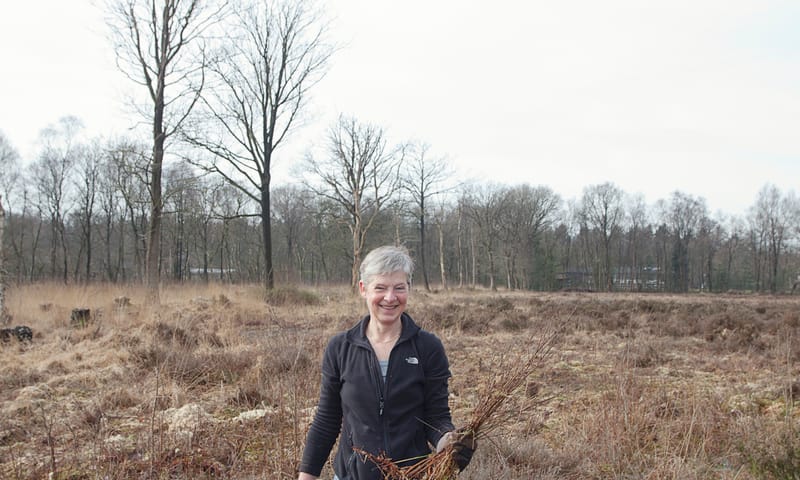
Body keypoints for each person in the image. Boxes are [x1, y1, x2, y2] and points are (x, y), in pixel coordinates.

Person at [297, 245, 474, 480]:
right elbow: (327, 420)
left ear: (408, 289)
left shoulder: (428, 347)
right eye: (380, 288)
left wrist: (450, 442)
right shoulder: (340, 348)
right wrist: (306, 476)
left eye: (399, 288)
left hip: (411, 475)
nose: (390, 298)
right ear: (363, 289)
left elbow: (435, 417)